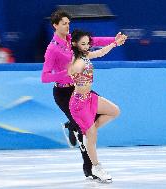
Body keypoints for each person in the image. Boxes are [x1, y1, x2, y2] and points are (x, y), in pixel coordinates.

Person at [41, 10, 126, 178]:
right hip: (64, 92)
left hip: (80, 89)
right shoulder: (52, 49)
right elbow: (45, 76)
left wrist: (114, 41)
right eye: (64, 23)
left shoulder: (72, 40)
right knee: (86, 130)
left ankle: (75, 128)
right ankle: (91, 168)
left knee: (93, 123)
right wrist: (67, 74)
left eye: (68, 23)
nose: (67, 26)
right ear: (55, 25)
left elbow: (95, 44)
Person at [68, 29, 126, 182]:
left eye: (87, 43)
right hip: (79, 103)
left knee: (114, 111)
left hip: (90, 98)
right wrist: (73, 68)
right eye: (83, 44)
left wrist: (114, 43)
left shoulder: (85, 55)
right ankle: (96, 167)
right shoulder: (76, 60)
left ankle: (85, 131)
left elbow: (100, 53)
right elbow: (70, 70)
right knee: (92, 135)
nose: (87, 46)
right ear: (74, 44)